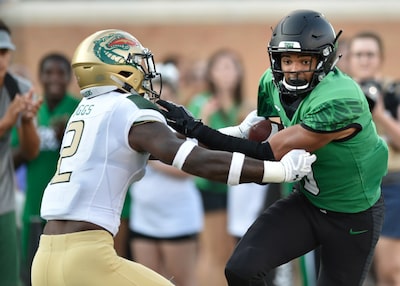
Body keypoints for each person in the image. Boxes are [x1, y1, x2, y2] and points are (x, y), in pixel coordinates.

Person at [30, 29, 316, 286]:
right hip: (86, 257)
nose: (145, 71)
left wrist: (237, 133)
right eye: (136, 63)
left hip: (44, 258)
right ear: (117, 68)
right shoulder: (126, 107)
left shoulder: (89, 109)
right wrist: (278, 171)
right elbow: (194, 159)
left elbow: (173, 144)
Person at [158, 9, 389, 286]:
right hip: (308, 202)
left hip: (352, 214)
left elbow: (268, 152)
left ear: (325, 59)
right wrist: (229, 132)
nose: (292, 69)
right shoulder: (271, 81)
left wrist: (194, 129)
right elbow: (267, 130)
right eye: (287, 59)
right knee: (241, 269)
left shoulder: (340, 100)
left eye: (305, 60)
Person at [347, 31, 400, 286]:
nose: (364, 60)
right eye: (359, 54)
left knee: (391, 270)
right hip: (352, 193)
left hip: (395, 190)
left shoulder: (397, 90)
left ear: (380, 58)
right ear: (349, 59)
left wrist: (380, 114)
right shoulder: (341, 94)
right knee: (360, 272)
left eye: (370, 54)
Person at [129, 62, 203, 286]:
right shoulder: (134, 125)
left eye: (163, 94)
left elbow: (188, 170)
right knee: (148, 281)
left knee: (181, 281)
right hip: (143, 217)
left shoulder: (184, 126)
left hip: (178, 218)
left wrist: (151, 159)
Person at [11, 52, 80, 285]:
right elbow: (12, 160)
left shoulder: (80, 109)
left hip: (71, 211)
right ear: (40, 76)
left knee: (67, 276)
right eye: (49, 72)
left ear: (70, 77)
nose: (55, 78)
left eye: (61, 73)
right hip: (35, 207)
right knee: (33, 275)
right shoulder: (30, 111)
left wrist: (67, 140)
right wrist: (32, 142)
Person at [186, 48, 246, 286]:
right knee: (214, 251)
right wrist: (206, 118)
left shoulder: (244, 106)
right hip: (211, 185)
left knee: (231, 251)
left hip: (238, 187)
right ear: (210, 73)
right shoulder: (202, 103)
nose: (226, 73)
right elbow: (197, 145)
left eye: (230, 67)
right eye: (220, 67)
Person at [0, 19, 41, 286]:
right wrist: (6, 122)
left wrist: (25, 121)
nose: (1, 60)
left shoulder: (19, 89)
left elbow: (30, 151)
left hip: (3, 206)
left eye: (3, 52)